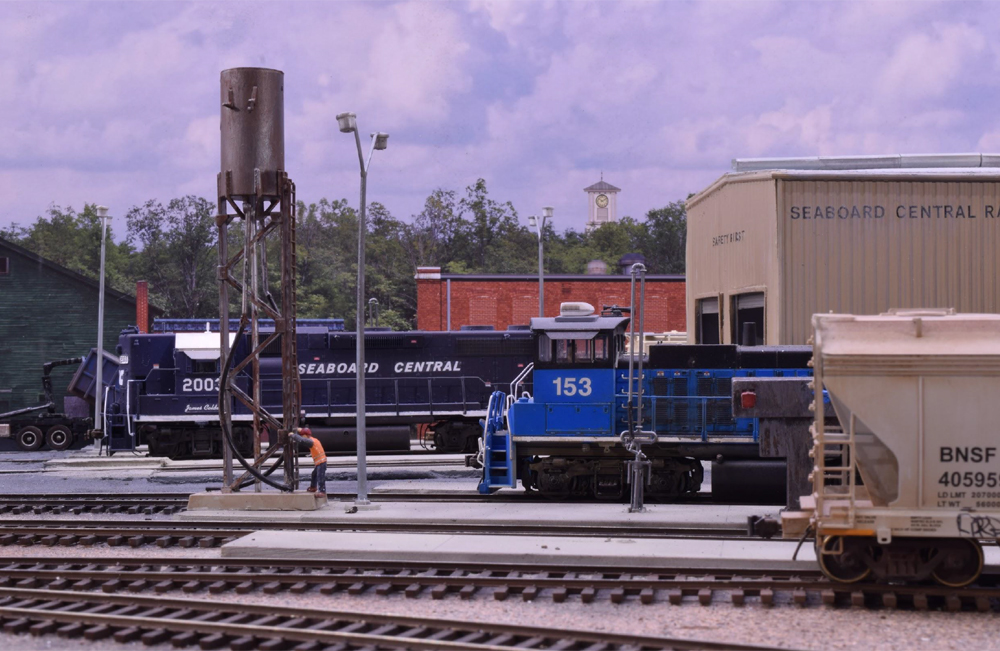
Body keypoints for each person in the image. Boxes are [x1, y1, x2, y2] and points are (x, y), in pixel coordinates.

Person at [289, 427, 326, 497]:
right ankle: (313, 487)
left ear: (305, 435)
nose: (302, 436)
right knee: (314, 474)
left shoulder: (310, 442)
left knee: (320, 476)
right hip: (320, 462)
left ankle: (322, 491)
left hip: (321, 462)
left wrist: (292, 435)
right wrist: (298, 429)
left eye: (303, 435)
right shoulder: (314, 440)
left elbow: (301, 440)